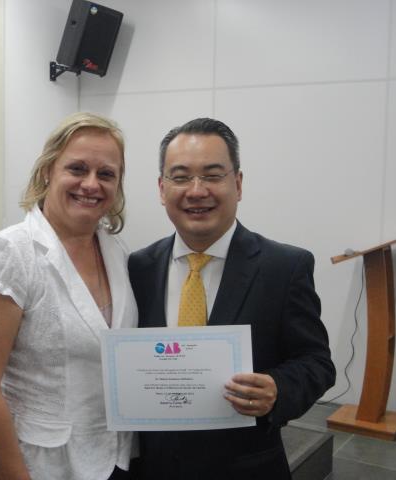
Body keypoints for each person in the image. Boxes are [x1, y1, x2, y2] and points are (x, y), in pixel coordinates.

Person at [128, 118, 335, 479]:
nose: (197, 191)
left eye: (212, 175)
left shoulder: (284, 267)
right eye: (181, 177)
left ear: (237, 184)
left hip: (246, 467)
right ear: (162, 188)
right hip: (154, 466)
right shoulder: (139, 267)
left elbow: (317, 363)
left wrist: (278, 389)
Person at [0, 112, 138, 480]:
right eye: (77, 169)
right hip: (35, 464)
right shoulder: (9, 253)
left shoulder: (116, 251)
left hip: (110, 454)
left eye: (106, 174)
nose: (91, 184)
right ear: (47, 171)